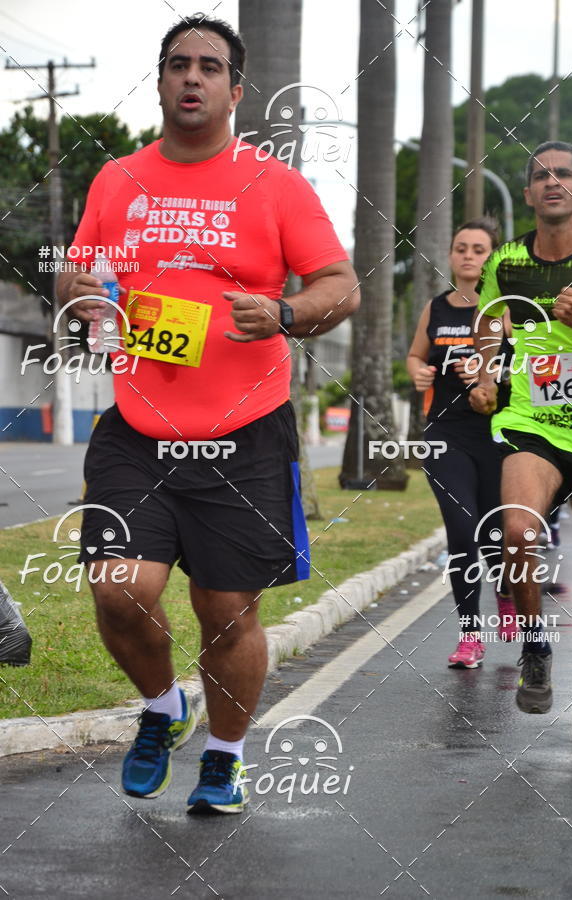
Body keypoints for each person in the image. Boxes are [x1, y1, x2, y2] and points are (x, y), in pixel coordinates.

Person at [57, 14, 358, 812]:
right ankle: (163, 709)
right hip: (138, 426)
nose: (193, 77)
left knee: (226, 610)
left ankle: (225, 757)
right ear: (159, 81)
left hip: (245, 430)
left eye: (210, 67)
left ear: (235, 89)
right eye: (178, 64)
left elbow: (340, 283)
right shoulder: (117, 180)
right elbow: (75, 275)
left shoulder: (275, 185)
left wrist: (286, 314)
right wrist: (81, 292)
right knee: (119, 589)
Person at [470, 141, 572, 745]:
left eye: (565, 175)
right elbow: (487, 326)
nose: (553, 183)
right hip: (534, 424)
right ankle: (535, 644)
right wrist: (484, 369)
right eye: (541, 176)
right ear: (527, 194)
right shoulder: (507, 262)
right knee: (518, 531)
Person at [407, 218, 518, 669]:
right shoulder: (436, 308)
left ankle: (507, 590)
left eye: (478, 249)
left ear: (492, 257)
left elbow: (534, 367)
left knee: (497, 535)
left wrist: (493, 374)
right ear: (451, 256)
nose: (469, 255)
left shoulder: (508, 310)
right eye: (461, 248)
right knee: (461, 531)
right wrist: (418, 370)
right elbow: (417, 354)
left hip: (497, 436)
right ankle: (470, 634)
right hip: (445, 436)